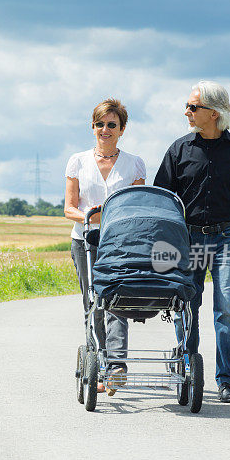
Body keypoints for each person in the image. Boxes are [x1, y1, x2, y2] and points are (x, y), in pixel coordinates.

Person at [153, 80, 230, 403]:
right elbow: (162, 199)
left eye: (192, 107)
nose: (187, 111)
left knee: (227, 305)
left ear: (213, 113)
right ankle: (188, 367)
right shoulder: (178, 150)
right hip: (190, 238)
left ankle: (225, 380)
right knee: (188, 303)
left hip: (228, 236)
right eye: (187, 106)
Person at [65, 98, 146, 394]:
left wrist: (110, 215)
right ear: (93, 127)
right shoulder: (77, 161)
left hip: (121, 241)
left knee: (117, 301)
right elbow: (69, 208)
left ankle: (116, 367)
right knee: (92, 302)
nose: (105, 129)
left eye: (111, 124)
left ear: (122, 129)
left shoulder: (134, 163)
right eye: (100, 124)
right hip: (85, 239)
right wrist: (92, 216)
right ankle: (97, 365)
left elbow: (137, 206)